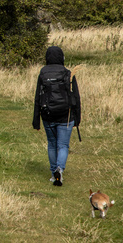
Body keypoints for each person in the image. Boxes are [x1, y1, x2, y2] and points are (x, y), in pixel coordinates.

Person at [32, 45, 81, 187]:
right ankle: (60, 169)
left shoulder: (43, 73)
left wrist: (36, 120)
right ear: (61, 57)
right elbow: (75, 97)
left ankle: (54, 173)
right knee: (63, 145)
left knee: (52, 144)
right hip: (66, 116)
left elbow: (37, 97)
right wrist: (77, 118)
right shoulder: (68, 73)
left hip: (47, 115)